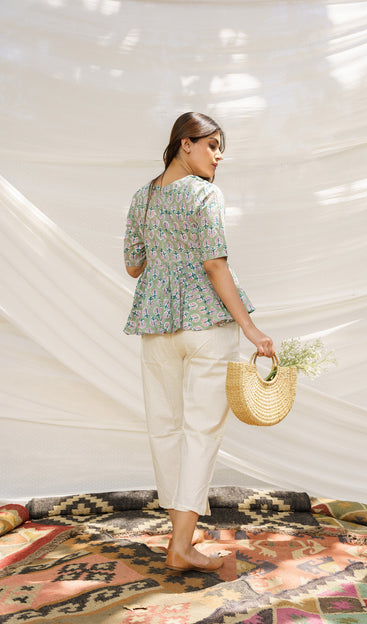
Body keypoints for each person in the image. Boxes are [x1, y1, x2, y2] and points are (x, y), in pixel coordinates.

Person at [124, 112, 274, 573]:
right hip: (206, 324)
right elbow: (214, 264)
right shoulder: (206, 194)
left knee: (165, 429)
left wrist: (165, 250)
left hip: (157, 324)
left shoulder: (143, 196)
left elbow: (133, 265)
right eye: (211, 145)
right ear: (184, 144)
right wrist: (251, 328)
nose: (219, 155)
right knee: (202, 431)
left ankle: (180, 540)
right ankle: (182, 546)